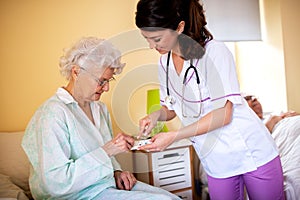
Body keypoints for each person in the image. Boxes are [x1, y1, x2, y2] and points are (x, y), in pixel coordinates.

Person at [135, 0, 285, 199]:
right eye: (147, 38)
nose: (151, 46)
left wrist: (174, 136)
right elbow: (170, 107)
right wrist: (154, 116)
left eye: (157, 38)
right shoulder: (165, 63)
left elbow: (223, 114)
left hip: (251, 151)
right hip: (216, 160)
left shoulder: (214, 52)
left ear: (179, 27)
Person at [21, 37, 180, 200]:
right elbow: (56, 183)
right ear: (76, 72)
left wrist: (116, 172)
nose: (107, 87)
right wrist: (110, 149)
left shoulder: (99, 108)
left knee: (171, 198)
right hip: (75, 195)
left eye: (109, 80)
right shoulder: (52, 114)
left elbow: (105, 158)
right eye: (101, 81)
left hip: (104, 184)